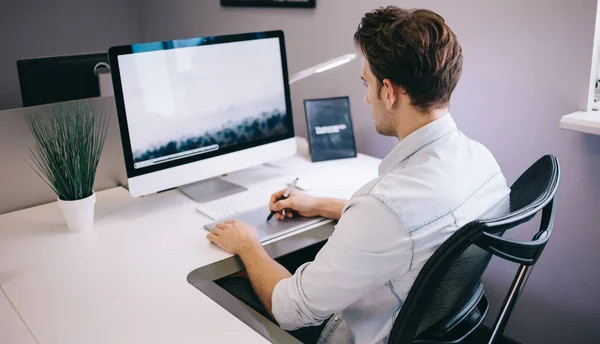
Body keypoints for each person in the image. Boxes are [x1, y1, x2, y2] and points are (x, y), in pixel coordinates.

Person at [207, 6, 510, 344]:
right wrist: (321, 205)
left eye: (367, 83)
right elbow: (414, 227)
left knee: (224, 287)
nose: (366, 96)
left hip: (350, 334)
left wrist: (247, 244)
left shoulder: (384, 207)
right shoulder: (484, 164)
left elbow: (289, 310)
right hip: (434, 326)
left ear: (390, 92)